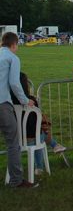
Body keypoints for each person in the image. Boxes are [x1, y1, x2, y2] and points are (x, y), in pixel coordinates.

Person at [0, 32, 38, 188]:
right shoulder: (12, 58)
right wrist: (25, 100)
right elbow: (14, 83)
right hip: (2, 103)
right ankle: (16, 180)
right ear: (14, 44)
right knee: (13, 143)